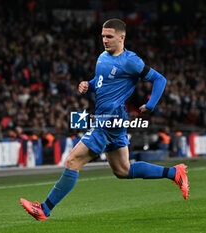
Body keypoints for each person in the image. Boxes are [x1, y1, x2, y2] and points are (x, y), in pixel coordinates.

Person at [20, 18, 189, 221]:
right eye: (103, 36)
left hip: (110, 119)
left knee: (72, 160)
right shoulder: (102, 57)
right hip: (109, 118)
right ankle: (174, 173)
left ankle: (44, 209)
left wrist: (151, 104)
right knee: (122, 170)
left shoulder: (131, 61)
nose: (105, 40)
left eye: (109, 36)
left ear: (122, 37)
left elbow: (159, 79)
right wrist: (88, 85)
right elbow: (101, 82)